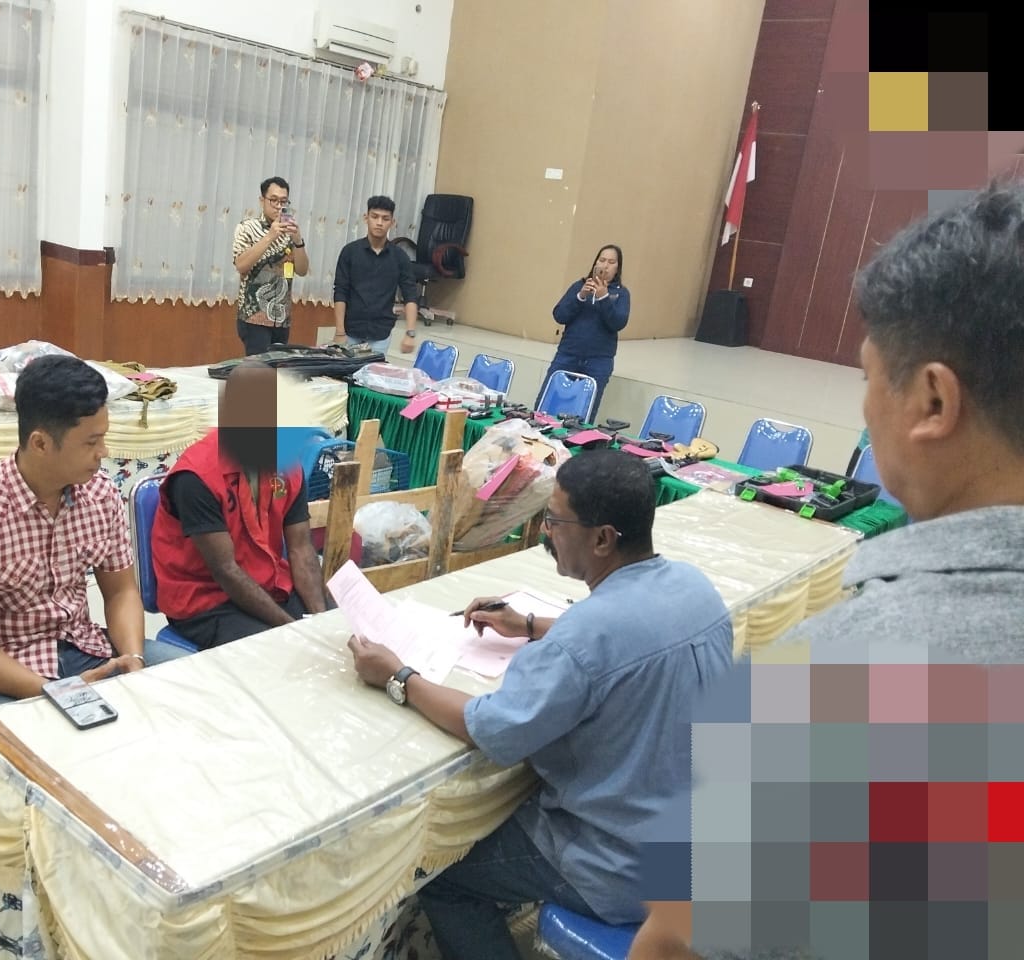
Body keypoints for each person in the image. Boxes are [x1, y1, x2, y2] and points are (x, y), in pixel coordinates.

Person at [630, 181, 1024, 959]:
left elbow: (680, 939)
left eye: (867, 377)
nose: (866, 406)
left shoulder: (850, 669)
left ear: (932, 401)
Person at [348, 448, 734, 960]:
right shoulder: (694, 587)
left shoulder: (585, 637)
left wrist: (398, 676)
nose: (546, 531)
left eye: (554, 520)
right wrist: (529, 625)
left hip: (618, 866)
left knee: (444, 878)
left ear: (602, 538)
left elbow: (489, 728)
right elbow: (625, 643)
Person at [0, 356, 187, 721]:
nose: (104, 452)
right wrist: (57, 692)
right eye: (91, 442)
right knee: (41, 745)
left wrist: (132, 659)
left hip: (84, 648)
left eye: (103, 437)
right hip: (0, 672)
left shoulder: (100, 494)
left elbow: (121, 592)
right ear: (41, 443)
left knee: (192, 687)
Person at [151, 362, 331, 649]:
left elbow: (300, 548)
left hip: (269, 582)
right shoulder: (196, 477)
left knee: (340, 628)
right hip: (207, 600)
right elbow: (226, 571)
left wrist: (321, 620)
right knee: (284, 651)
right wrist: (294, 630)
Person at [536, 244, 631, 418]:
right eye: (602, 260)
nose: (605, 266)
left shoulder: (622, 294)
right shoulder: (579, 286)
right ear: (595, 263)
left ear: (618, 268)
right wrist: (580, 296)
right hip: (568, 355)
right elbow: (559, 315)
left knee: (585, 413)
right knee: (545, 405)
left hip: (598, 361)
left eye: (611, 262)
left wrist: (604, 297)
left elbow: (618, 323)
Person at [332, 196, 419, 356]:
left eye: (385, 219)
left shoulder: (400, 257)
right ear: (366, 218)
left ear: (392, 222)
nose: (379, 223)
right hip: (350, 331)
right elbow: (340, 291)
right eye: (375, 217)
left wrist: (410, 333)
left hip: (381, 333)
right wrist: (339, 331)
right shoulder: (350, 252)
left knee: (373, 372)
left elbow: (410, 295)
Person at [232, 176, 310, 356]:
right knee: (259, 369)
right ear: (262, 200)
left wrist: (298, 241)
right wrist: (270, 237)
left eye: (283, 201)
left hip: (282, 317)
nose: (278, 206)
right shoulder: (247, 228)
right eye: (273, 200)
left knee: (275, 367)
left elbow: (302, 270)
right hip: (254, 317)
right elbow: (241, 265)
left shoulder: (289, 231)